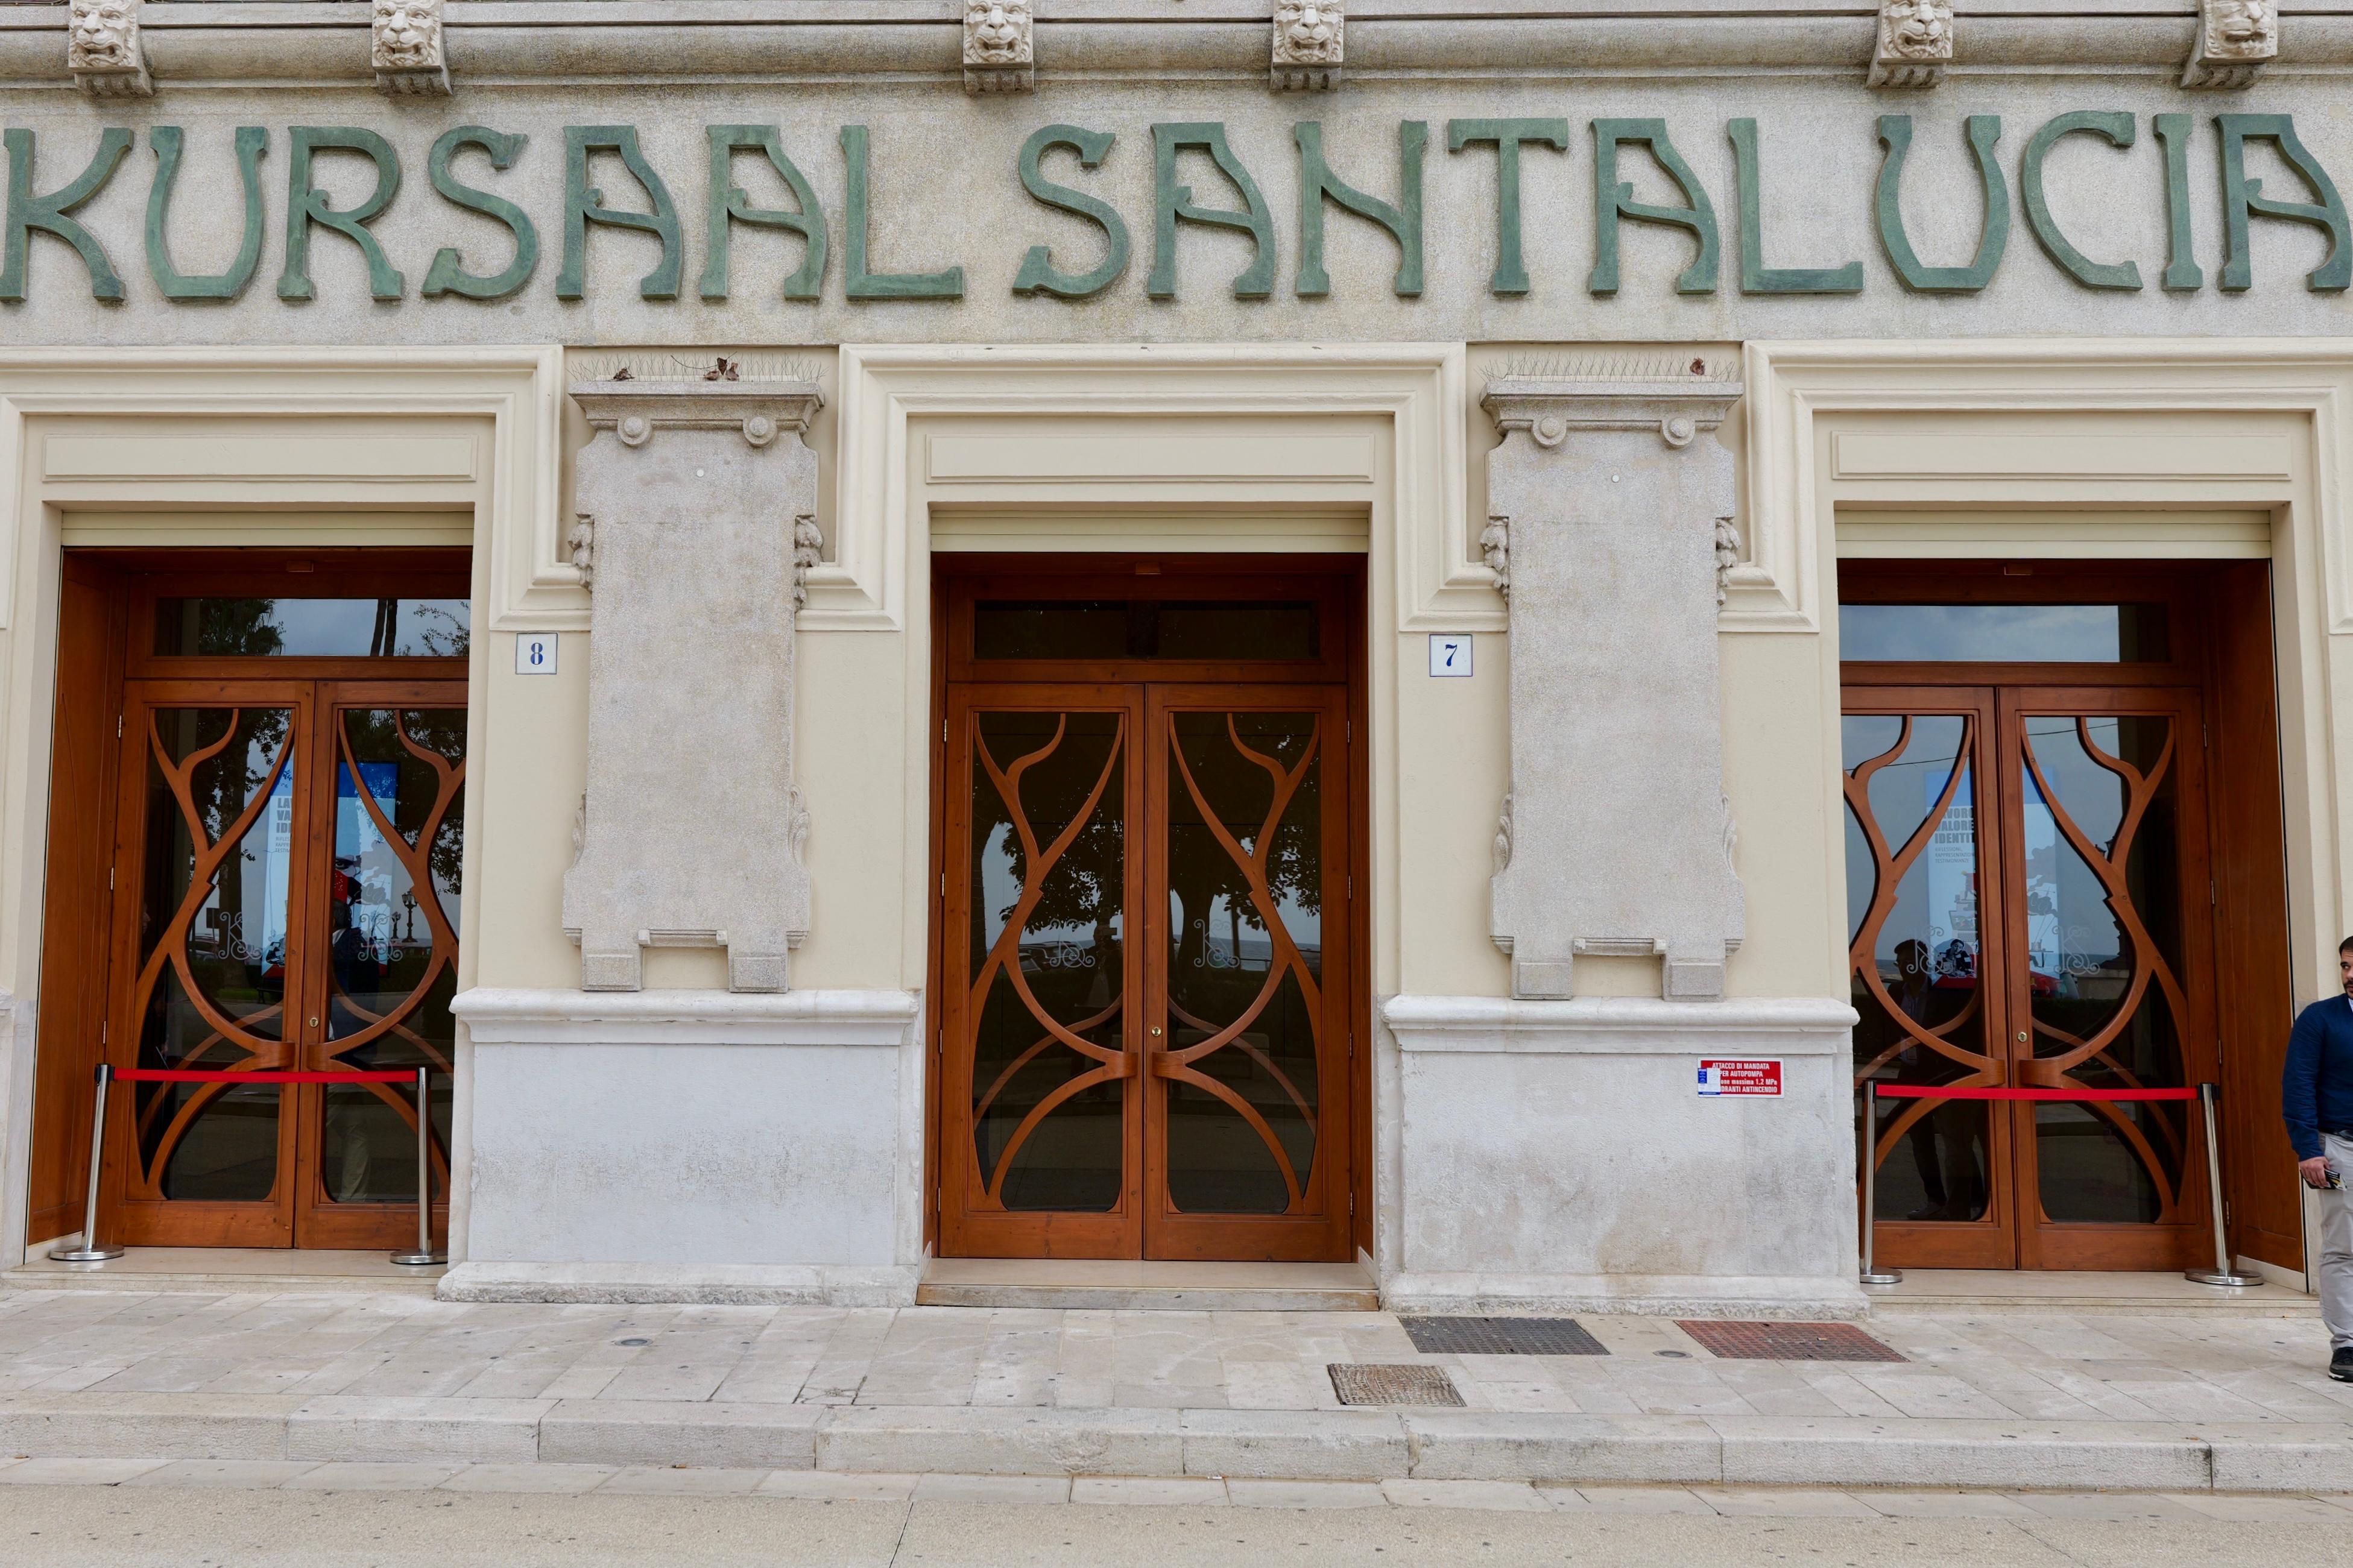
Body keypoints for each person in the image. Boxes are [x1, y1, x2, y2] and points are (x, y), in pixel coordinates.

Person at [2282, 936, 2353, 1384]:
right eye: (2345, 965)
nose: (2349, 975)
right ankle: (2346, 1343)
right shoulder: (2319, 1019)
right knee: (2344, 1246)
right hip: (2339, 1149)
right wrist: (2308, 1149)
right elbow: (2298, 1085)